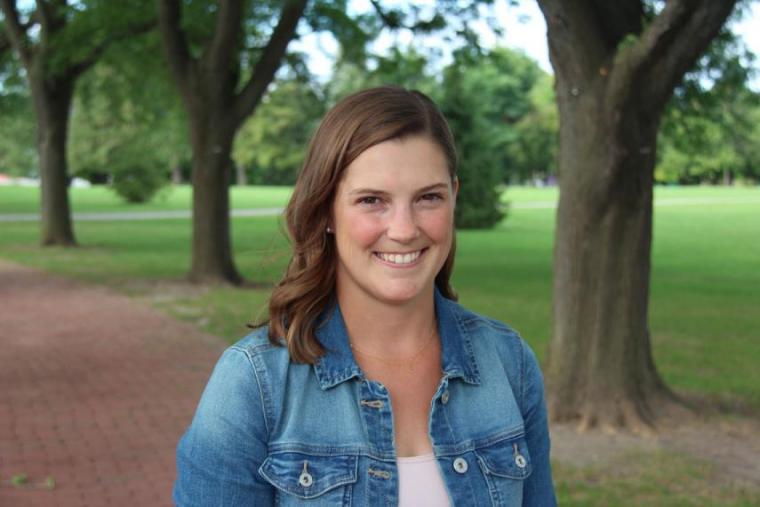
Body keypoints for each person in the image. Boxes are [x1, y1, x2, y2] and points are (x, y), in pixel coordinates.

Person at [173, 86, 557, 506]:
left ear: (454, 197)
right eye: (372, 200)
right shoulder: (253, 384)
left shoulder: (509, 363)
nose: (404, 228)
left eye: (428, 197)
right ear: (326, 211)